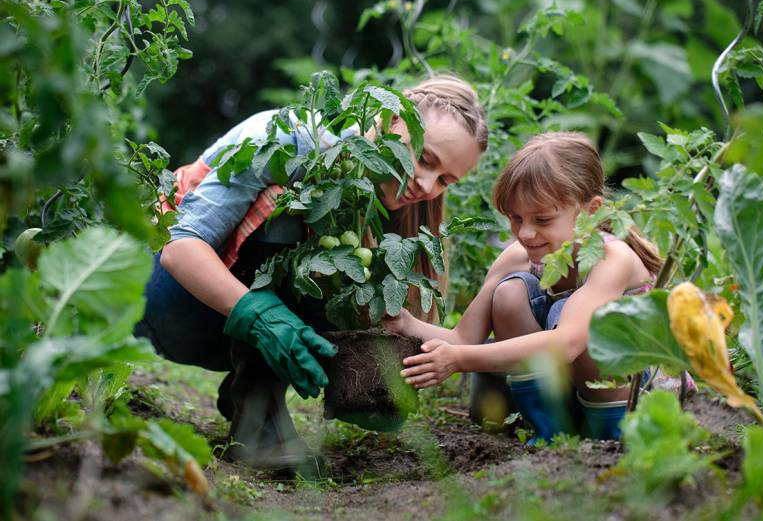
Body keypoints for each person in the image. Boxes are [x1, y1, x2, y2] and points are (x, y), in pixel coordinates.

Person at [133, 75, 488, 469]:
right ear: (391, 119)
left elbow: (399, 320)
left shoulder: (389, 198)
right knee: (291, 205)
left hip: (222, 328)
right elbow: (179, 248)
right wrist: (259, 315)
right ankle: (261, 426)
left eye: (445, 180)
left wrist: (382, 367)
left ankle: (251, 400)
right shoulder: (294, 142)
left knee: (344, 261)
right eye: (424, 159)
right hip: (161, 301)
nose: (426, 184)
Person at [385, 131, 663, 442]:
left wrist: (459, 359)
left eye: (542, 220)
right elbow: (463, 337)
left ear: (591, 210)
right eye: (516, 218)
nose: (526, 233)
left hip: (633, 401)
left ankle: (609, 438)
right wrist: (405, 323)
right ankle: (549, 433)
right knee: (508, 294)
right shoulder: (519, 257)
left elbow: (568, 342)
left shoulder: (613, 258)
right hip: (567, 393)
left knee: (592, 327)